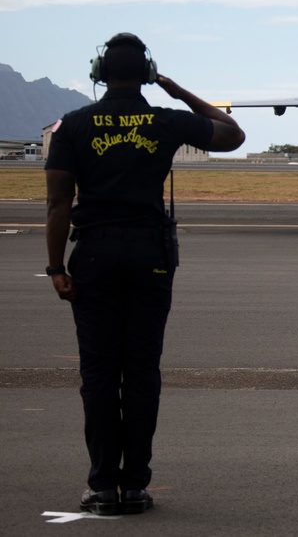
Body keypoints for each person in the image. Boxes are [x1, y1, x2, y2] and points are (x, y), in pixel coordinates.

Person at [45, 33, 245, 515]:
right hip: (149, 253)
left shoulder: (73, 125)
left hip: (93, 253)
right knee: (140, 371)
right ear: (148, 73)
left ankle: (101, 487)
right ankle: (134, 485)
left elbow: (58, 203)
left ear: (98, 72)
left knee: (98, 373)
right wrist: (176, 91)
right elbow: (231, 133)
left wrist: (55, 266)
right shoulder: (165, 119)